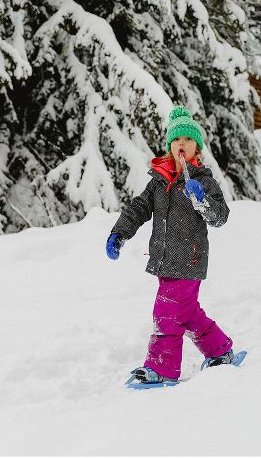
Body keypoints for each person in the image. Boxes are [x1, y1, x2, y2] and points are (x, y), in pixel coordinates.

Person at [107, 106, 235, 385]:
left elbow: (220, 216)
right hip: (165, 261)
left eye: (188, 140)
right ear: (169, 146)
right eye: (176, 139)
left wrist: (201, 200)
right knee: (186, 314)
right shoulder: (159, 181)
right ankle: (220, 351)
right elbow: (139, 208)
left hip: (189, 260)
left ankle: (161, 368)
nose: (182, 144)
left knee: (166, 313)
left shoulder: (203, 181)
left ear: (196, 148)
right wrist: (120, 233)